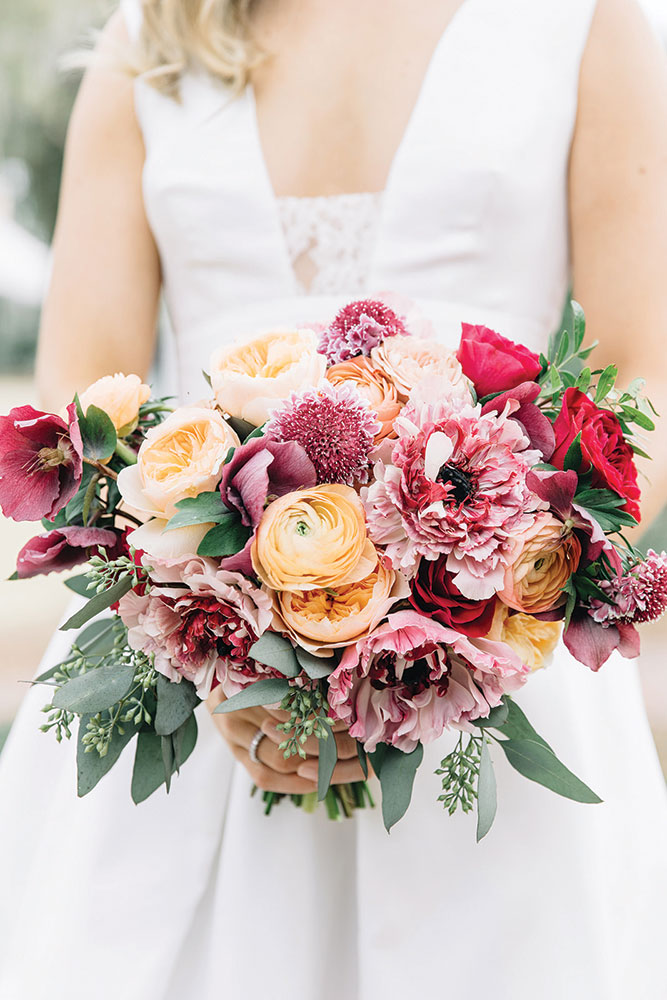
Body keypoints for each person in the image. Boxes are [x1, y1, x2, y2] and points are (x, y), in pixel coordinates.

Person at [1, 1, 666, 997]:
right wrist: (219, 649)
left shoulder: (583, 20)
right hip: (198, 686)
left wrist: (475, 604)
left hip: (499, 669)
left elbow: (641, 379)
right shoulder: (155, 37)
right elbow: (83, 417)